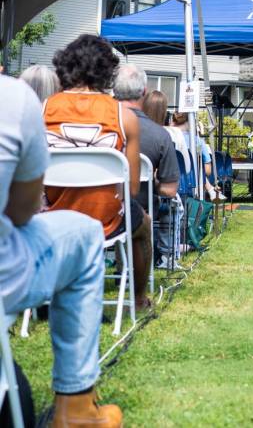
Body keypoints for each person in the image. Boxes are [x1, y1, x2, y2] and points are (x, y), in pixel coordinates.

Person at [0, 73, 123, 426]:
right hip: (10, 269)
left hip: (53, 204)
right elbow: (21, 210)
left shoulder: (48, 108)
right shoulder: (15, 99)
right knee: (86, 233)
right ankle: (76, 407)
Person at [44, 34, 153, 312]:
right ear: (107, 71)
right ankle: (138, 300)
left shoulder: (42, 109)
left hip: (52, 218)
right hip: (105, 221)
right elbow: (131, 190)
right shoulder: (123, 116)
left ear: (65, 66)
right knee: (145, 224)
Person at [113, 66, 179, 267]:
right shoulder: (159, 135)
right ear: (144, 92)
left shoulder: (98, 128)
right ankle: (137, 289)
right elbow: (170, 189)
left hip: (93, 209)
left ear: (114, 91)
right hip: (138, 211)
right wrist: (152, 180)